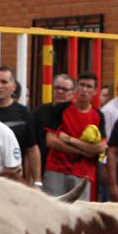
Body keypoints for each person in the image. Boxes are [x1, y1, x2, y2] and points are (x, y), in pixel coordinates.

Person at [40, 70, 105, 199]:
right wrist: (83, 151)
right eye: (82, 85)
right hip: (56, 169)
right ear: (76, 88)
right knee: (53, 209)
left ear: (95, 91)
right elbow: (51, 140)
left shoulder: (98, 115)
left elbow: (100, 148)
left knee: (79, 212)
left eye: (89, 86)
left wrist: (70, 140)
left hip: (84, 172)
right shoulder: (60, 109)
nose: (84, 90)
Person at [0, 65, 41, 186]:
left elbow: (32, 149)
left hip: (14, 181)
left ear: (13, 87)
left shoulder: (24, 113)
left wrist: (38, 182)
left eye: (4, 82)